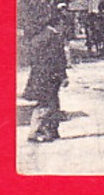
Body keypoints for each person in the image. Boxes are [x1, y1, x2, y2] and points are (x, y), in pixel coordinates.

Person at [24, 12, 70, 143]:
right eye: (63, 24)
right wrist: (63, 76)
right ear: (57, 24)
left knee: (51, 102)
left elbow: (31, 57)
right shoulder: (54, 38)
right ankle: (36, 132)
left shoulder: (39, 37)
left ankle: (51, 131)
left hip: (38, 74)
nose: (64, 27)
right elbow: (58, 60)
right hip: (50, 76)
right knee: (47, 104)